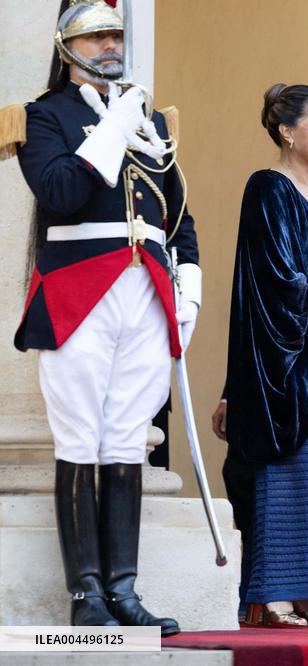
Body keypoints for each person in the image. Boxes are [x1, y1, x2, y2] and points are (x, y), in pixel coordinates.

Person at [4, 0, 198, 635]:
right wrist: (115, 124)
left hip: (147, 290)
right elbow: (60, 191)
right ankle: (85, 593)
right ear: (67, 48)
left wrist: (189, 288)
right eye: (96, 37)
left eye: (116, 34)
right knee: (79, 437)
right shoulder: (43, 115)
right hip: (80, 289)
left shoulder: (152, 120)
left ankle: (124, 590)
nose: (110, 45)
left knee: (125, 438)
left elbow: (177, 214)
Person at [221, 83, 308, 628]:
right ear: (286, 130)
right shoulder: (267, 187)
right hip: (284, 357)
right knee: (291, 471)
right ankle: (275, 596)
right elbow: (278, 275)